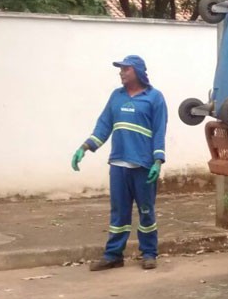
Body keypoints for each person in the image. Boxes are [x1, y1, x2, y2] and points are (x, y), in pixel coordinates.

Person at [71, 55, 168, 271]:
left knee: (146, 211)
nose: (121, 73)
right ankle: (113, 255)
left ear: (139, 72)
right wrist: (84, 147)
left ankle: (149, 253)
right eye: (121, 69)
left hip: (143, 166)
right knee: (119, 213)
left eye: (126, 69)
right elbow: (103, 125)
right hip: (118, 165)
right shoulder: (116, 97)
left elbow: (160, 131)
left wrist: (158, 161)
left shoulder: (154, 98)